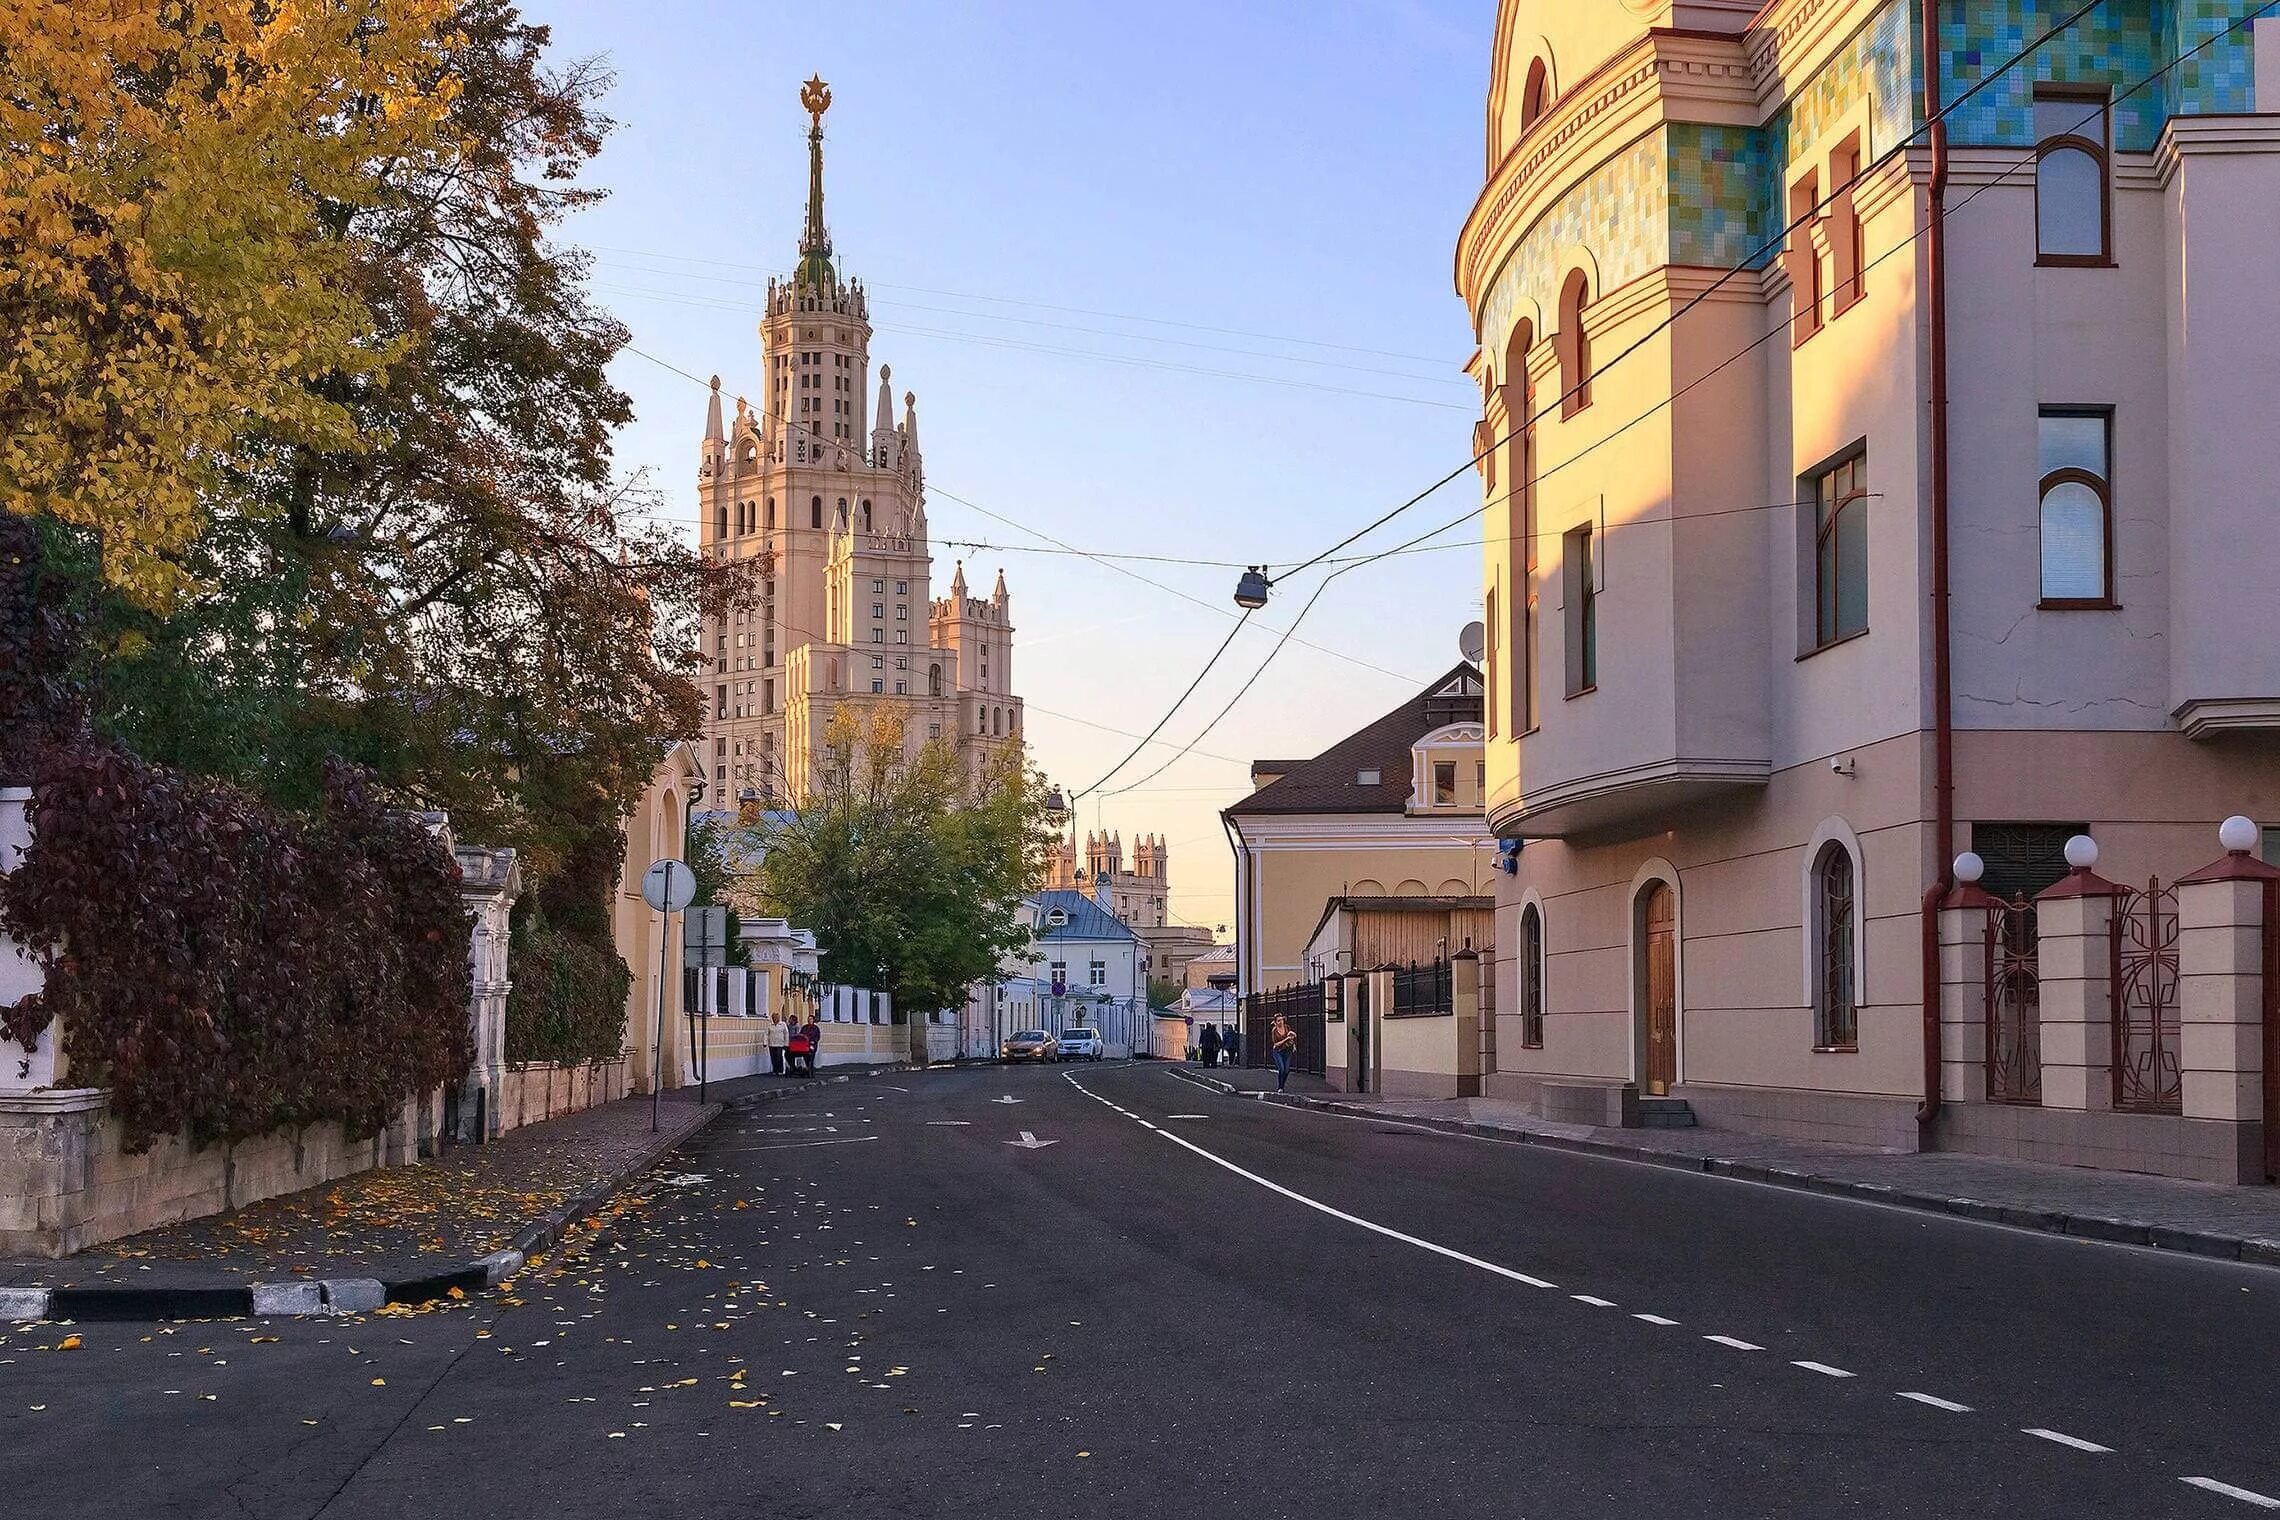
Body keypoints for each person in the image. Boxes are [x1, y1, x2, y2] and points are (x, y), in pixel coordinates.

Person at [1270, 1013, 1298, 1092]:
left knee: (1286, 1070)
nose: (1281, 1022)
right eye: (1279, 1021)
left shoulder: (1287, 1027)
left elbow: (1292, 1037)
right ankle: (1280, 1087)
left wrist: (1293, 1037)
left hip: (1287, 1050)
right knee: (1281, 1069)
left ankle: (1282, 1085)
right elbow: (1276, 1044)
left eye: (1282, 1020)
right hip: (1278, 1051)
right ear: (1275, 1022)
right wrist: (1286, 1039)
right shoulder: (1274, 1031)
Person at [766, 1011, 790, 1076]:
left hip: (780, 1044)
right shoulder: (770, 1025)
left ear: (778, 1018)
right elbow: (766, 1034)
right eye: (773, 1018)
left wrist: (786, 1043)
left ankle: (780, 1070)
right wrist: (765, 1042)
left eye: (776, 1018)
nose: (775, 1019)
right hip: (772, 1043)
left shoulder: (783, 1024)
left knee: (779, 1057)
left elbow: (786, 1034)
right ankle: (775, 1070)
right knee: (773, 1057)